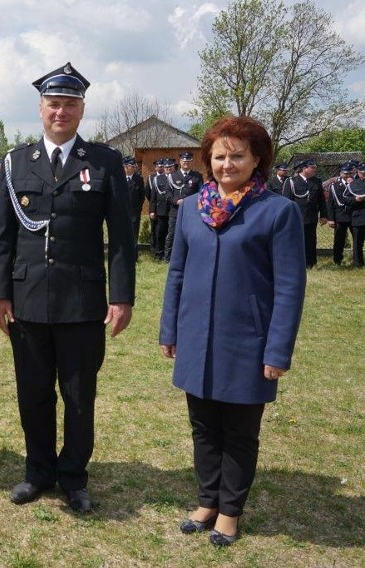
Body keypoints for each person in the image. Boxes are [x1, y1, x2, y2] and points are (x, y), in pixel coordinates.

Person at [0, 62, 136, 513]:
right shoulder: (16, 162)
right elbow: (3, 236)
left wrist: (121, 296)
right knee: (32, 392)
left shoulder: (105, 162)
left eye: (70, 104)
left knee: (78, 395)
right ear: (41, 109)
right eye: (54, 103)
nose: (61, 111)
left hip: (82, 300)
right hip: (28, 298)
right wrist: (1, 294)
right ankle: (38, 471)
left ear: (82, 110)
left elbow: (122, 237)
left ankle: (74, 476)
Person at [160, 115, 306, 546]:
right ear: (209, 160)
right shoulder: (190, 209)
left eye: (237, 156)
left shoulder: (279, 211)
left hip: (248, 342)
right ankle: (207, 500)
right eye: (219, 156)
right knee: (203, 427)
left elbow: (289, 287)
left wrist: (277, 350)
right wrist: (170, 330)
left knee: (240, 432)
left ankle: (230, 511)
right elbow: (177, 274)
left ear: (256, 159)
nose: (227, 164)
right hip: (196, 339)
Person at [281, 159, 327, 268]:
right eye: (313, 168)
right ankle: (297, 262)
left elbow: (321, 200)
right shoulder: (291, 181)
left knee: (311, 240)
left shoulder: (317, 181)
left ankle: (311, 262)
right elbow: (286, 201)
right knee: (297, 241)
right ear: (305, 168)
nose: (315, 170)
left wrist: (324, 215)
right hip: (296, 217)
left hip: (311, 216)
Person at [326, 163, 355, 265]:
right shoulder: (334, 186)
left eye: (349, 173)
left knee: (357, 240)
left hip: (353, 216)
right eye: (345, 173)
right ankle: (337, 260)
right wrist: (331, 219)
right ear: (341, 173)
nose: (347, 175)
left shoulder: (355, 184)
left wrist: (352, 184)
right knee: (339, 240)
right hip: (340, 216)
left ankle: (356, 260)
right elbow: (330, 203)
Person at [148, 158, 170, 260]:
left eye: (169, 167)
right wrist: (152, 210)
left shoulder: (175, 177)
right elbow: (153, 196)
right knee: (159, 233)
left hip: (172, 210)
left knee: (170, 233)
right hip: (160, 210)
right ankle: (159, 253)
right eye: (166, 167)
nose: (167, 169)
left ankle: (168, 254)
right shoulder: (157, 179)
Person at [123, 157, 145, 255]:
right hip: (121, 212)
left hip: (134, 213)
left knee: (133, 235)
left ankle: (133, 255)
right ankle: (123, 254)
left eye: (134, 166)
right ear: (126, 167)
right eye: (132, 166)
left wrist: (137, 209)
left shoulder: (138, 179)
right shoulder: (119, 178)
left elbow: (142, 196)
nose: (134, 168)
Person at [343, 171, 365, 267]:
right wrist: (355, 200)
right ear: (358, 173)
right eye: (362, 173)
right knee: (357, 243)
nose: (363, 175)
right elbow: (346, 199)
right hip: (358, 217)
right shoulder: (353, 184)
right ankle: (357, 263)